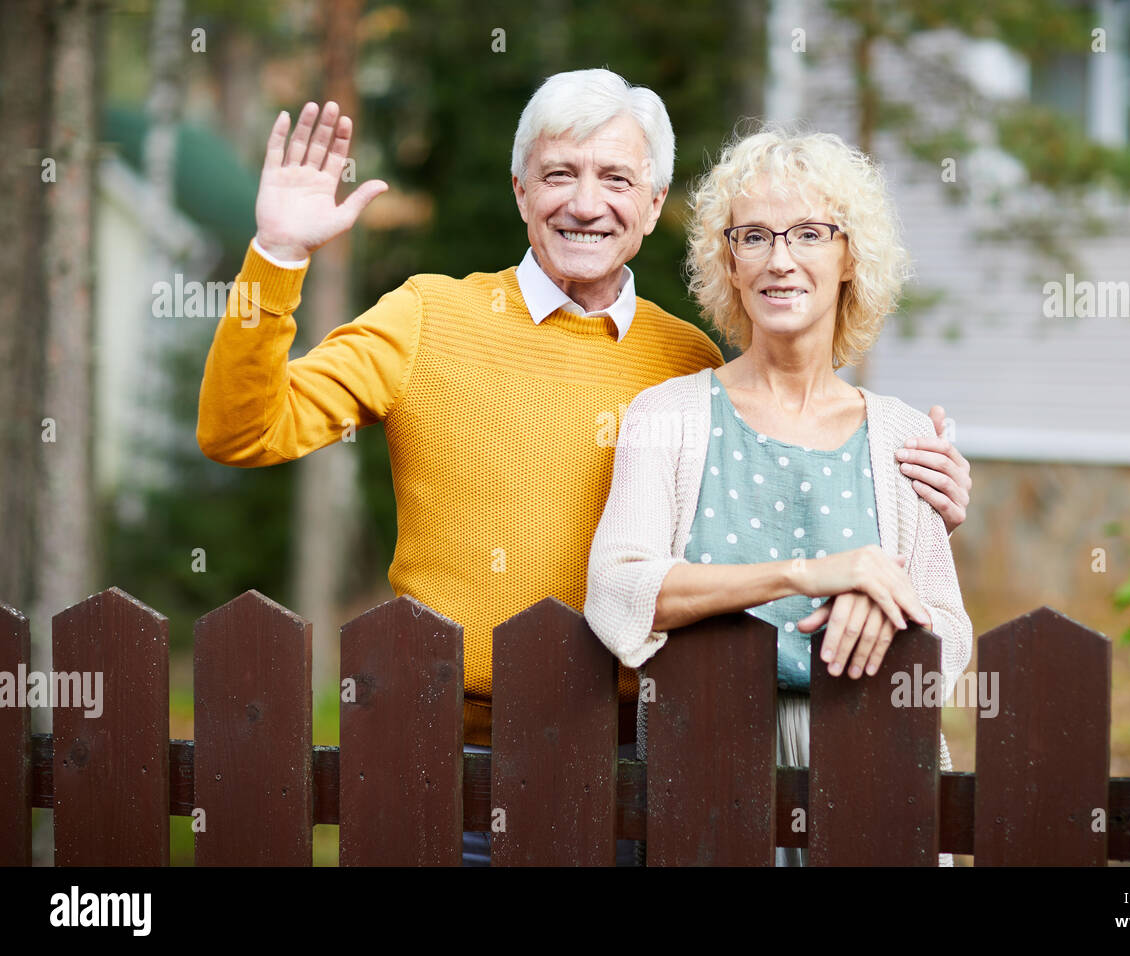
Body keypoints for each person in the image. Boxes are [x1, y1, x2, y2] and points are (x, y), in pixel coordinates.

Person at [196, 69, 972, 865]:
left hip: (647, 765)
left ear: (655, 199)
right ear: (520, 189)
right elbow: (242, 430)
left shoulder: (686, 363)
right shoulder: (430, 318)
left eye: (616, 178)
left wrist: (925, 500)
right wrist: (277, 257)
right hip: (450, 762)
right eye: (559, 174)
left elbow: (788, 514)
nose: (585, 204)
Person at [584, 128, 973, 867]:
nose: (780, 259)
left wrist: (888, 603)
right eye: (754, 236)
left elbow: (949, 636)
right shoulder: (666, 417)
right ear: (729, 262)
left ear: (850, 255)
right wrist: (809, 575)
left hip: (872, 767)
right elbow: (617, 590)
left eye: (809, 234)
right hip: (705, 770)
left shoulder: (901, 434)